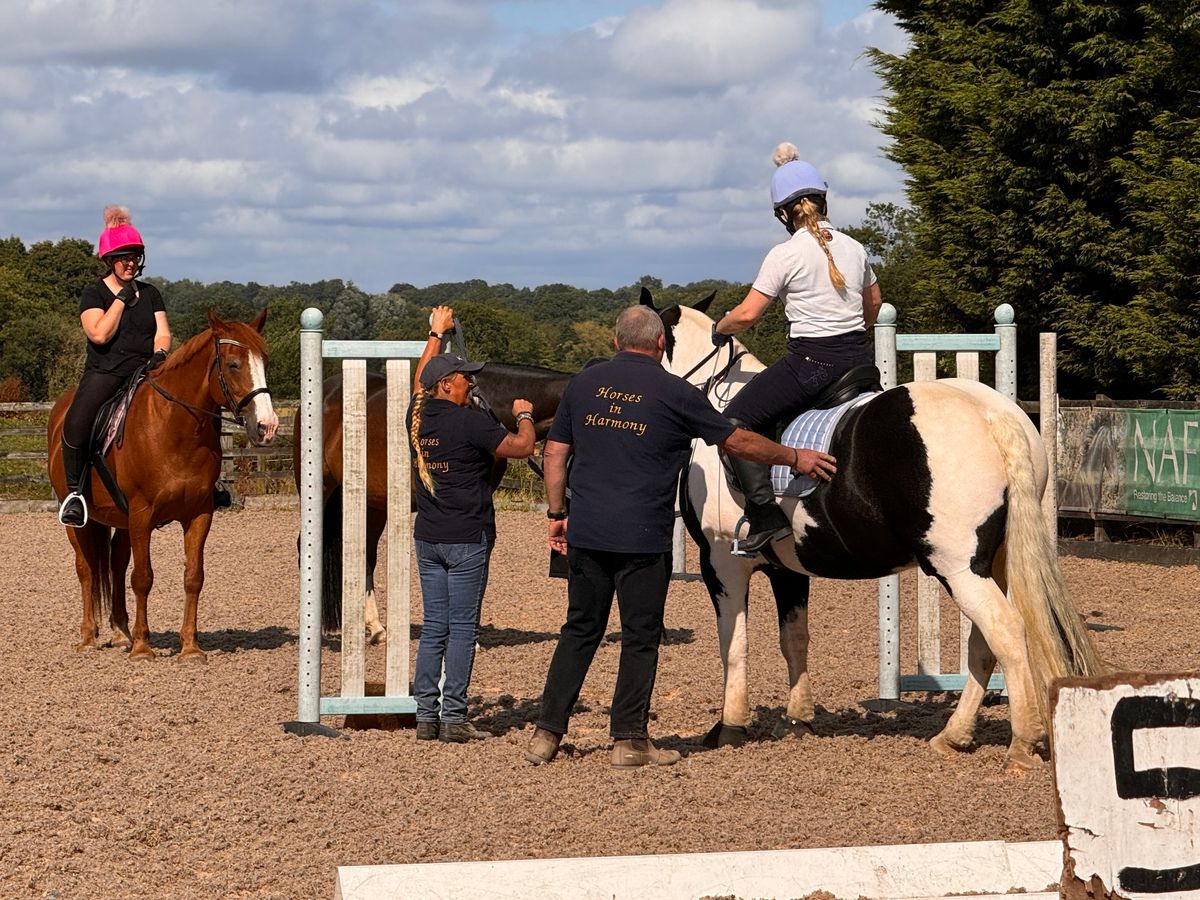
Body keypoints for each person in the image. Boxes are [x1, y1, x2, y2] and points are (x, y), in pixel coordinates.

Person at [525, 305, 835, 769]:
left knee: (579, 631)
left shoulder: (584, 386)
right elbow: (738, 441)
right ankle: (629, 741)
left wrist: (556, 513)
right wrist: (793, 457)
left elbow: (553, 453)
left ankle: (546, 735)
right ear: (661, 344)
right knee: (640, 635)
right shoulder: (675, 392)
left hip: (587, 529)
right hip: (643, 536)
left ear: (614, 342)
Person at [712, 142, 883, 555]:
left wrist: (720, 326)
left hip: (811, 364)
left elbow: (749, 315)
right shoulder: (855, 248)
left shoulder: (786, 253)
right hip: (860, 363)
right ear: (823, 202)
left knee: (733, 422)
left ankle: (765, 515)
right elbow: (873, 304)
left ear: (782, 214)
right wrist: (856, 332)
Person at [409, 306, 536, 743]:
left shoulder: (420, 417)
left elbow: (419, 379)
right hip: (467, 537)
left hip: (429, 536)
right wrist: (524, 415)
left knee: (434, 626)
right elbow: (520, 448)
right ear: (448, 385)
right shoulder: (470, 421)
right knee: (463, 628)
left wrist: (435, 334)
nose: (471, 381)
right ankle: (454, 717)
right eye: (464, 377)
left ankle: (426, 715)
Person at [57, 206, 171, 528]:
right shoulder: (94, 293)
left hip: (146, 370)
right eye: (123, 256)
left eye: (134, 256)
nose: (130, 262)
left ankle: (201, 484)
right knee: (77, 421)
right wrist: (121, 299)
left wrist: (160, 353)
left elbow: (162, 330)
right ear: (110, 260)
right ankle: (75, 494)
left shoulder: (151, 294)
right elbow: (99, 333)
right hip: (106, 372)